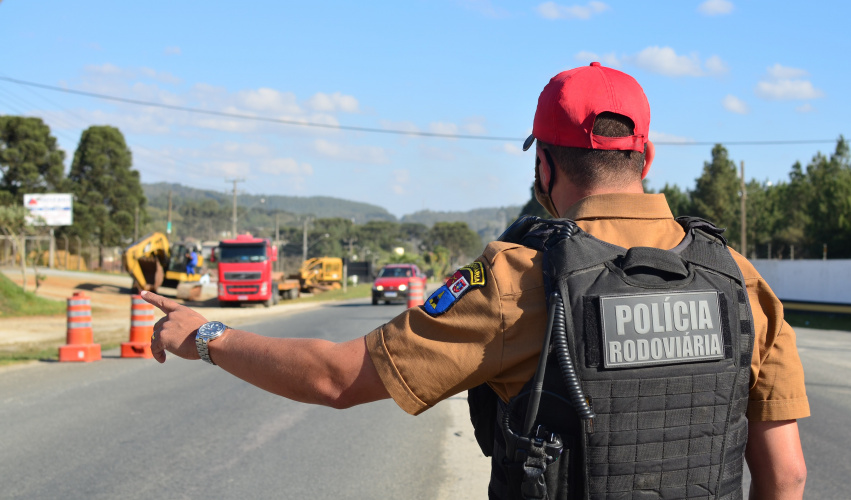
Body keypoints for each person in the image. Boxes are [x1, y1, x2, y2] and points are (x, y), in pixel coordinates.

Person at [144, 62, 808, 499]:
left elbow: (336, 378)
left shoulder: (510, 276)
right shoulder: (738, 280)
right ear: (647, 156)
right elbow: (786, 476)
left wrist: (205, 334)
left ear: (543, 165)